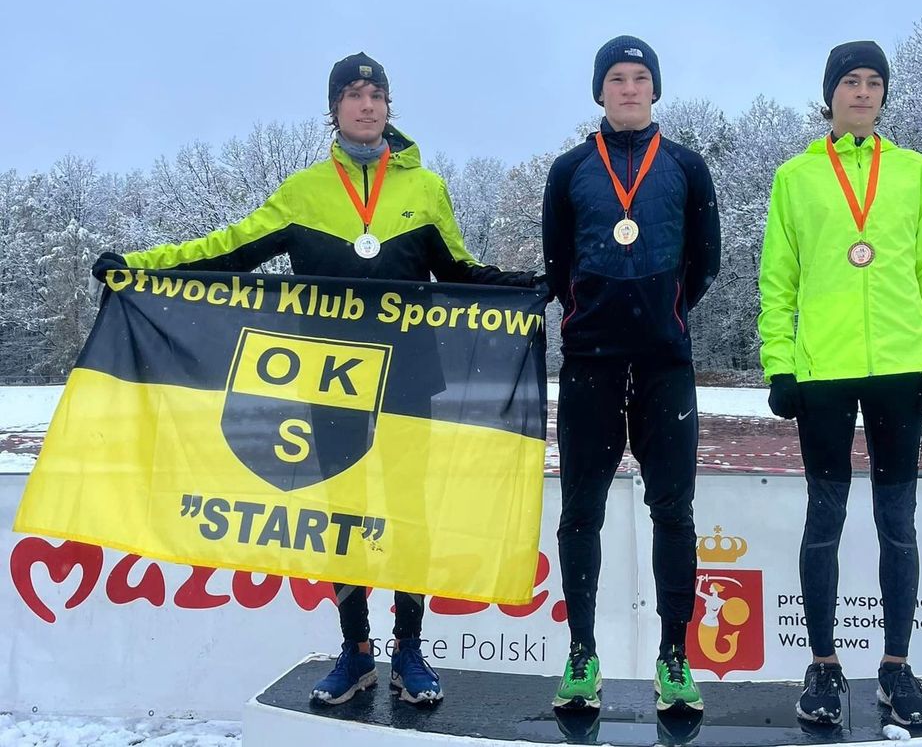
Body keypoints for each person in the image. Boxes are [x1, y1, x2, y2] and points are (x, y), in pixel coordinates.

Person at [92, 52, 541, 706]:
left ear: (390, 106)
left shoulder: (425, 188)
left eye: (376, 94)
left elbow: (460, 270)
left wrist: (525, 286)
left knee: (408, 514)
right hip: (333, 380)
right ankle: (356, 650)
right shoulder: (303, 190)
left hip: (408, 381)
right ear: (333, 110)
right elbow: (230, 249)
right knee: (343, 517)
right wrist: (141, 266)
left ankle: (408, 651)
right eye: (352, 95)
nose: (366, 105)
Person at [758, 40, 922, 727]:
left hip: (903, 369)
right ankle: (823, 665)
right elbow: (777, 278)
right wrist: (779, 363)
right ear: (831, 93)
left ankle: (896, 668)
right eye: (851, 81)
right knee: (826, 519)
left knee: (896, 523)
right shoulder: (796, 177)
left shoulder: (915, 173)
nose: (864, 92)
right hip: (823, 373)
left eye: (875, 82)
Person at [542, 35, 721, 712]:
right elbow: (558, 264)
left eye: (640, 77)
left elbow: (705, 260)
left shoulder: (685, 165)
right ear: (600, 90)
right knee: (579, 511)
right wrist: (599, 315)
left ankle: (674, 659)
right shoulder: (568, 170)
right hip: (588, 363)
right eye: (616, 77)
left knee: (673, 511)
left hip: (664, 364)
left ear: (655, 89)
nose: (628, 87)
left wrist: (660, 314)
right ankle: (581, 654)